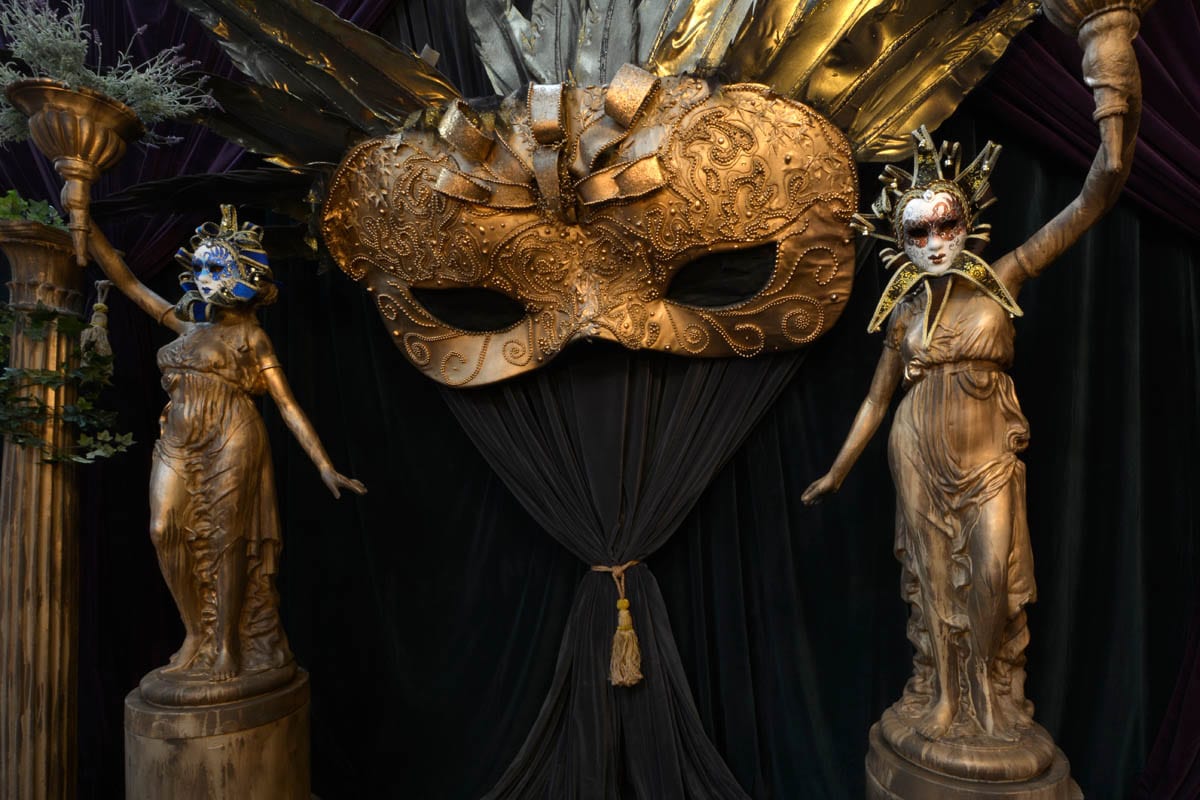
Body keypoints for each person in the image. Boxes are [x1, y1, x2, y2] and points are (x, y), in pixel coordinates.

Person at [801, 27, 1140, 765]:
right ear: (899, 240)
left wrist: (1114, 115)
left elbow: (1093, 199)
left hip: (987, 458)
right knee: (930, 583)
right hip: (916, 451)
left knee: (990, 573)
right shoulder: (903, 314)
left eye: (946, 223)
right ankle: (948, 697)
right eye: (917, 230)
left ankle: (988, 691)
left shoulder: (1005, 277)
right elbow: (875, 400)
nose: (934, 240)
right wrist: (838, 468)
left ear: (968, 223)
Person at [88, 206, 365, 704]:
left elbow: (287, 405)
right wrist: (82, 214)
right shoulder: (185, 325)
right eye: (199, 267)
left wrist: (325, 465)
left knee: (227, 539)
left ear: (245, 275)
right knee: (163, 529)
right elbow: (127, 282)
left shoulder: (251, 337)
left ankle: (224, 646)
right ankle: (195, 633)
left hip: (232, 434)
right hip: (177, 440)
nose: (204, 276)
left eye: (216, 267)